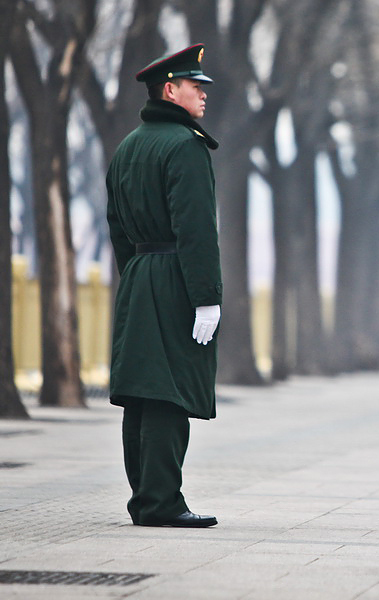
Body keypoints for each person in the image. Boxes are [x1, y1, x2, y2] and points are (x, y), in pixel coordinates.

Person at [106, 44, 222, 528]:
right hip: (174, 277)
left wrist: (135, 273)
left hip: (139, 275)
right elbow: (196, 230)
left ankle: (146, 498)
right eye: (196, 87)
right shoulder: (184, 146)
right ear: (170, 90)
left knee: (141, 393)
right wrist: (206, 298)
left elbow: (117, 226)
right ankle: (161, 503)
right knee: (168, 394)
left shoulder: (128, 146)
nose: (204, 95)